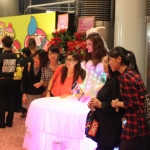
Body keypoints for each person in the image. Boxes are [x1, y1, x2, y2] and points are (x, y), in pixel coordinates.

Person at [109, 46, 150, 150]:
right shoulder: (132, 74)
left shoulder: (126, 77)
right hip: (140, 123)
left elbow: (133, 103)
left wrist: (116, 103)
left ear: (119, 59)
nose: (109, 63)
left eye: (110, 59)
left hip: (135, 125)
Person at [88, 55, 123, 150]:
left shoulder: (116, 81)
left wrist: (100, 104)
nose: (104, 64)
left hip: (109, 127)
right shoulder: (109, 79)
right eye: (104, 61)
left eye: (107, 61)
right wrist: (94, 103)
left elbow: (118, 105)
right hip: (104, 125)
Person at [81, 27, 107, 98]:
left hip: (98, 95)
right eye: (87, 44)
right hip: (86, 93)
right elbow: (87, 79)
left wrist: (91, 91)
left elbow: (105, 81)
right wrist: (79, 89)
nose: (87, 46)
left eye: (89, 44)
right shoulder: (89, 59)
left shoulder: (104, 59)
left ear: (96, 45)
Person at [21, 49, 48, 117]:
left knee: (39, 115)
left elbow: (46, 81)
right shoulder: (29, 66)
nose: (35, 59)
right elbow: (24, 81)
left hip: (40, 95)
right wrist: (24, 94)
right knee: (30, 115)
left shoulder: (44, 68)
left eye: (38, 58)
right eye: (35, 57)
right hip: (29, 94)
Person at [0, 36, 17, 128]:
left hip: (2, 81)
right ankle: (9, 122)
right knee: (11, 101)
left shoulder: (1, 56)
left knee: (2, 101)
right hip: (12, 80)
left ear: (3, 44)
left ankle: (1, 123)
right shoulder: (14, 56)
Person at [20, 47, 33, 118]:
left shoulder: (23, 61)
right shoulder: (32, 60)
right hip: (31, 80)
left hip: (24, 79)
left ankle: (24, 111)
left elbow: (21, 70)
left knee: (24, 94)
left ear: (24, 54)